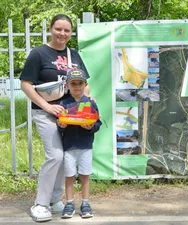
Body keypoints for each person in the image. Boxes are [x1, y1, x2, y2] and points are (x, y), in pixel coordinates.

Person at [20, 14, 91, 222]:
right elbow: (26, 84)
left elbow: (84, 84)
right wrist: (47, 107)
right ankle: (40, 204)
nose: (62, 34)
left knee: (66, 155)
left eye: (67, 30)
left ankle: (54, 199)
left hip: (70, 115)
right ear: (51, 29)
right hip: (45, 112)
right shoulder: (39, 54)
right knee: (56, 156)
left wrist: (86, 105)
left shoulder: (74, 55)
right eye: (58, 29)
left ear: (71, 33)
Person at [57, 68, 102, 219]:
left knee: (85, 175)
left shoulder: (90, 103)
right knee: (69, 175)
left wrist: (91, 128)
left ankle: (85, 203)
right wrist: (61, 126)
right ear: (67, 85)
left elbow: (97, 123)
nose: (77, 86)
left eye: (80, 83)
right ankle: (69, 203)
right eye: (73, 83)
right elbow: (59, 124)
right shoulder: (63, 103)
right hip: (68, 146)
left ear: (85, 84)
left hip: (85, 146)